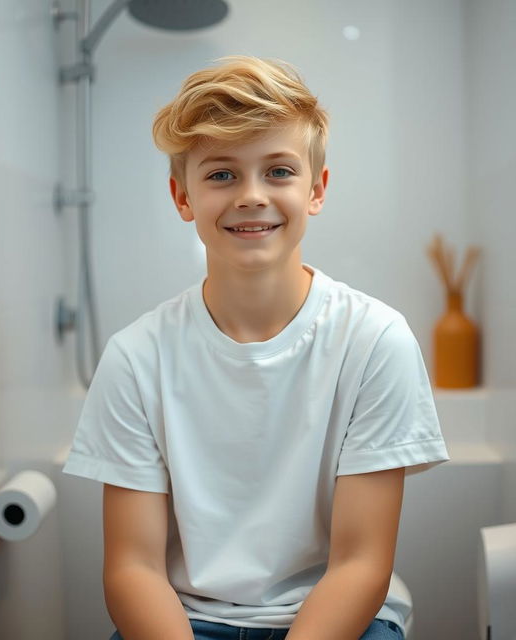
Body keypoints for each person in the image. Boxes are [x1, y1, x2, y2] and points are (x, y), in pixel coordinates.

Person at [62, 55, 450, 640]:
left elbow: (360, 565)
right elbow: (133, 568)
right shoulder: (136, 356)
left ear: (316, 189)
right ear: (182, 196)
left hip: (337, 617)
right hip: (185, 619)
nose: (250, 196)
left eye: (278, 172)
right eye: (221, 174)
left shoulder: (374, 341)